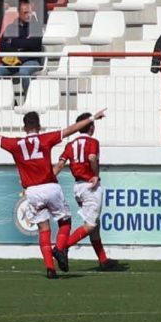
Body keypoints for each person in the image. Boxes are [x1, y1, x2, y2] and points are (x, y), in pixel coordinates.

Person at [0, 109, 106, 278]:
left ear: (24, 127)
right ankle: (60, 249)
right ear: (39, 126)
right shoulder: (45, 139)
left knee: (43, 228)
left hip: (32, 191)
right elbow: (71, 129)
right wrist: (92, 117)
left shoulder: (15, 144)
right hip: (50, 187)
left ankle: (50, 268)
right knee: (65, 222)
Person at [52, 112, 121, 271]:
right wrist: (95, 175)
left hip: (78, 187)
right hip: (90, 186)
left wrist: (46, 180)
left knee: (94, 225)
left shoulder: (70, 145)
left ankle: (103, 260)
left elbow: (60, 164)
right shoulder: (93, 142)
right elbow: (91, 158)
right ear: (91, 127)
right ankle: (62, 248)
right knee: (90, 225)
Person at [0, 0, 44, 97]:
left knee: (24, 72)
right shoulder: (11, 27)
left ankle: (29, 99)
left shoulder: (36, 27)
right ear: (19, 13)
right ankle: (8, 100)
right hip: (13, 61)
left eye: (29, 12)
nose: (28, 15)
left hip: (31, 60)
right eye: (25, 13)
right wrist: (19, 48)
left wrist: (14, 42)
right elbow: (3, 46)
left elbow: (34, 44)